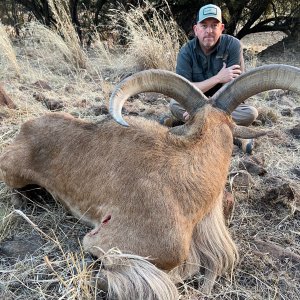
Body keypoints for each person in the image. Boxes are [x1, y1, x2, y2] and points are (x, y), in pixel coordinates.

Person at [164, 4, 258, 154]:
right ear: (196, 29)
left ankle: (190, 125)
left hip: (225, 106)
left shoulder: (233, 45)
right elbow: (182, 90)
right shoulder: (186, 51)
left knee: (250, 113)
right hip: (196, 104)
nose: (209, 31)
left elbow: (233, 89)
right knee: (174, 105)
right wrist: (218, 78)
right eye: (204, 25)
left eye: (214, 25)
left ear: (221, 28)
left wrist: (204, 111)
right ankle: (234, 135)